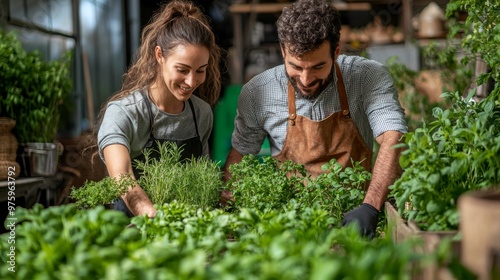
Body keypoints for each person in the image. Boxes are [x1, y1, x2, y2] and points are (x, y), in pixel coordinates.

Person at [222, 0, 407, 239]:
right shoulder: (259, 91)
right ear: (282, 51)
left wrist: (370, 207)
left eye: (318, 66)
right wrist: (226, 213)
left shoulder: (367, 77)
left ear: (337, 50)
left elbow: (394, 137)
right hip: (292, 226)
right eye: (296, 66)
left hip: (358, 222)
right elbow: (240, 154)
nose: (306, 79)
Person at [92, 0, 222, 217]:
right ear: (159, 55)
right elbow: (122, 178)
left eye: (201, 70)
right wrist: (155, 219)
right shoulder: (124, 113)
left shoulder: (201, 113)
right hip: (134, 233)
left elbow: (203, 179)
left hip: (188, 232)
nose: (191, 81)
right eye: (182, 69)